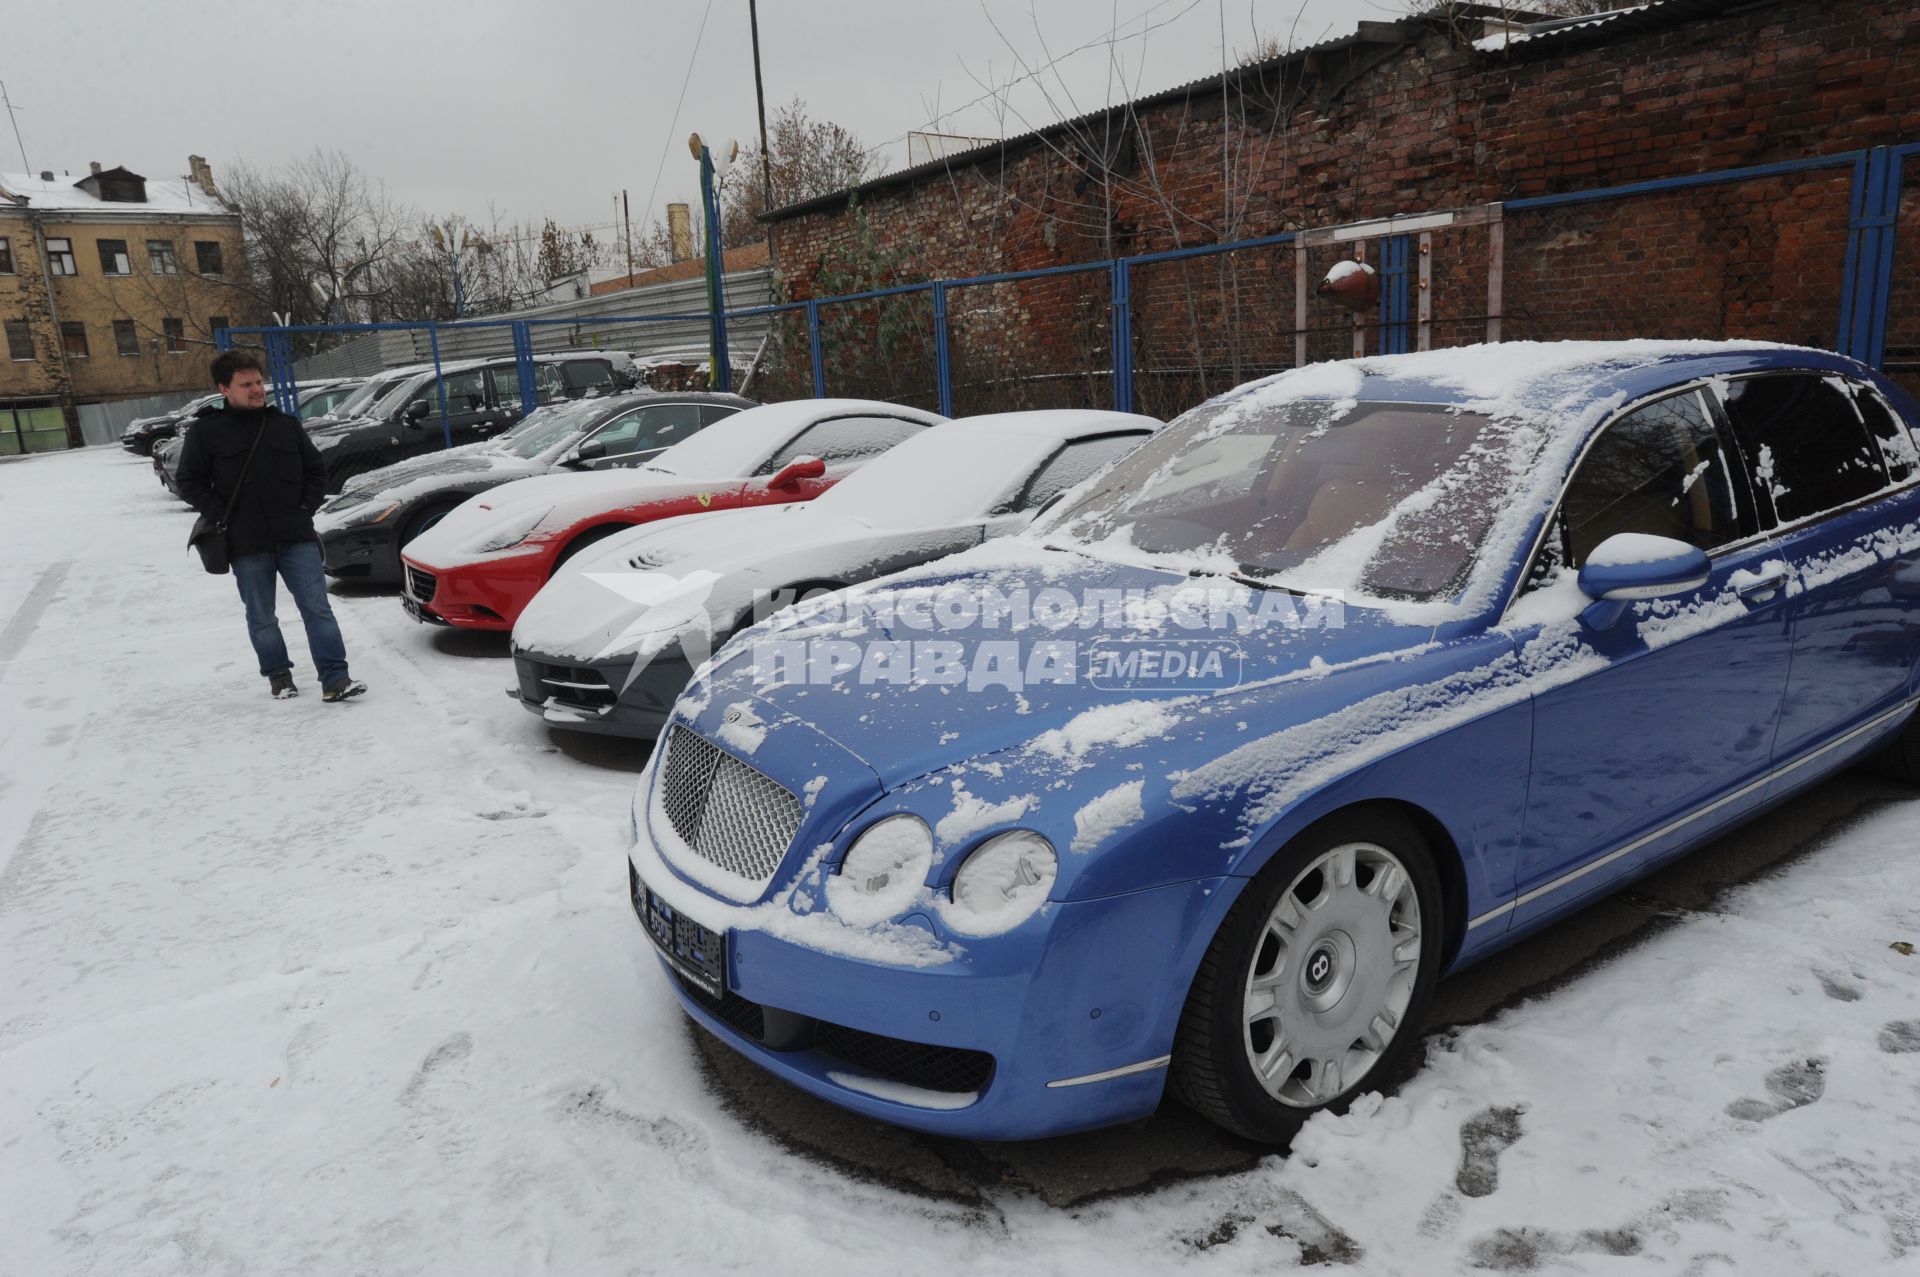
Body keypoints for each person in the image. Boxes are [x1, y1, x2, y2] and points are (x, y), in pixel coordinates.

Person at [176, 351, 367, 702]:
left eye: (258, 382)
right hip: (246, 542)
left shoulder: (284, 425)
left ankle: (336, 678)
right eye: (245, 384)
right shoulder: (207, 433)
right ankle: (279, 675)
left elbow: (316, 471)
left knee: (317, 607)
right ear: (224, 389)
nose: (256, 390)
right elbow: (189, 480)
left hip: (295, 535)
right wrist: (223, 515)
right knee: (262, 615)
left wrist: (305, 508)